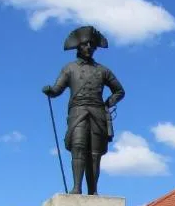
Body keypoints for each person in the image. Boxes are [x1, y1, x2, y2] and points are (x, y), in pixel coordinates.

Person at [42, 26, 125, 195]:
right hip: (78, 111)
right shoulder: (69, 68)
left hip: (97, 113)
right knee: (78, 147)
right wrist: (50, 91)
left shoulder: (103, 70)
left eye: (92, 45)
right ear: (78, 46)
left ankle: (93, 190)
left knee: (95, 153)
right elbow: (58, 89)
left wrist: (108, 103)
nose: (89, 48)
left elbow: (119, 90)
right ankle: (77, 188)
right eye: (86, 44)